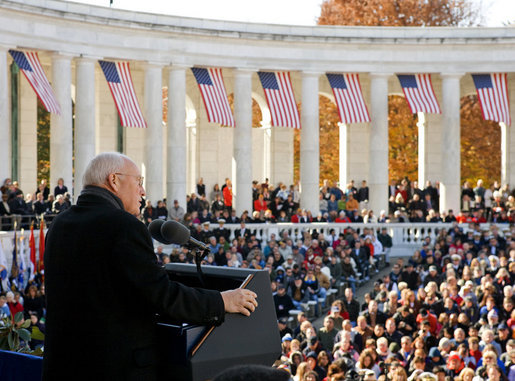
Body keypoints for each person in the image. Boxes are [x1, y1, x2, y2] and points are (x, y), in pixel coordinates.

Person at [42, 152, 257, 380]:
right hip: (116, 370)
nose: (143, 192)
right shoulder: (124, 226)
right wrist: (222, 301)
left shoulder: (60, 224)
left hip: (64, 366)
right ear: (114, 180)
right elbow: (162, 296)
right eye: (139, 182)